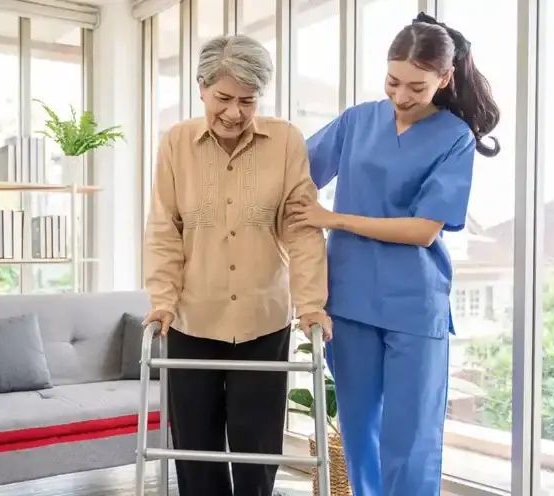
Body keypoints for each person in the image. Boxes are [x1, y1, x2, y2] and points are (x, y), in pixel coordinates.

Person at [286, 12, 501, 496]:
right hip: (350, 300)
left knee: (412, 438)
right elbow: (293, 174)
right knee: (361, 432)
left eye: (417, 88)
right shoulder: (357, 121)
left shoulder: (453, 137)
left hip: (414, 305)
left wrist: (335, 219)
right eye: (393, 81)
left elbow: (425, 230)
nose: (402, 96)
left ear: (445, 79)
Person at [142, 34, 332, 496]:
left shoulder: (285, 141)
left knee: (257, 450)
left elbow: (302, 229)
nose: (234, 112)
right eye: (223, 98)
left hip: (262, 322)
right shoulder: (176, 143)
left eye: (247, 100)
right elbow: (165, 229)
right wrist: (162, 300)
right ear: (202, 88)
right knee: (195, 453)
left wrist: (311, 304)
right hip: (191, 319)